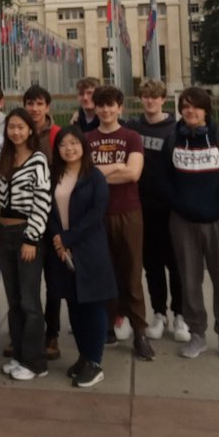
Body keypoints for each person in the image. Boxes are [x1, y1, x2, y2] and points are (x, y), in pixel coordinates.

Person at [164, 87, 219, 364]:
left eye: (196, 107)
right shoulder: (173, 139)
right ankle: (196, 333)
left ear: (206, 110)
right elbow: (164, 179)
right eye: (185, 106)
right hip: (184, 222)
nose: (190, 111)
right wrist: (180, 203)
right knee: (190, 282)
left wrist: (218, 203)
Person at [0, 107, 52, 382]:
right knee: (14, 301)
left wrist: (32, 238)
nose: (16, 131)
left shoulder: (38, 160)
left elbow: (42, 201)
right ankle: (19, 354)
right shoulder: (1, 159)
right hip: (3, 234)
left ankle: (36, 361)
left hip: (26, 235)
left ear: (30, 130)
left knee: (30, 300)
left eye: (21, 127)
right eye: (12, 127)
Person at [85, 86, 154, 361]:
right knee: (106, 273)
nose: (105, 110)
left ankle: (140, 333)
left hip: (128, 213)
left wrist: (101, 173)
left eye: (110, 105)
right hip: (98, 214)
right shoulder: (87, 138)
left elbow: (133, 173)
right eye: (100, 105)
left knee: (132, 273)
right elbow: (84, 176)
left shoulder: (131, 137)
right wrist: (116, 168)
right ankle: (110, 325)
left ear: (120, 108)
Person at [46, 127, 117, 389]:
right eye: (63, 144)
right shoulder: (55, 175)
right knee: (74, 305)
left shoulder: (94, 176)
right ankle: (83, 356)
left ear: (83, 146)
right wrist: (58, 238)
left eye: (74, 143)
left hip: (88, 249)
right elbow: (48, 211)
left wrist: (69, 238)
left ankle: (95, 362)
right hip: (61, 250)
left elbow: (96, 213)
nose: (69, 148)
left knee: (92, 305)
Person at [126, 80, 189, 342]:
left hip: (171, 209)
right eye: (145, 97)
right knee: (151, 265)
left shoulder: (176, 129)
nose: (150, 101)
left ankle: (180, 315)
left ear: (163, 99)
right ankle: (159, 312)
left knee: (176, 265)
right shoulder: (133, 128)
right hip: (143, 207)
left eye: (154, 97)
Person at [22, 84, 62, 359]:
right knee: (27, 280)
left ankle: (52, 333)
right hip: (24, 217)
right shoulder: (18, 133)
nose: (34, 109)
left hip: (53, 215)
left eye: (39, 104)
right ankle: (27, 330)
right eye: (30, 103)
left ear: (47, 107)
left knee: (54, 279)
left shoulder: (58, 136)